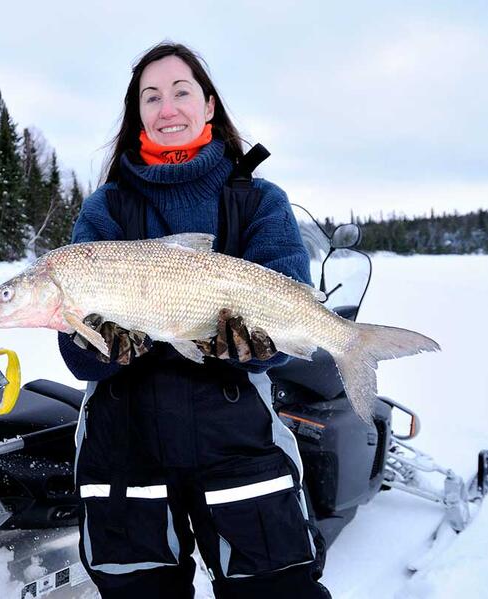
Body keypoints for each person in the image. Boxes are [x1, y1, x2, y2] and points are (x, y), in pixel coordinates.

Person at [58, 42, 331, 599]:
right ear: (137, 114)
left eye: (181, 92)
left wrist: (258, 346)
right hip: (124, 448)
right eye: (150, 97)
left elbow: (290, 310)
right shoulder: (104, 209)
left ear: (209, 105)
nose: (167, 108)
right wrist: (100, 346)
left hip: (238, 442)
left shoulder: (259, 202)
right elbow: (76, 356)